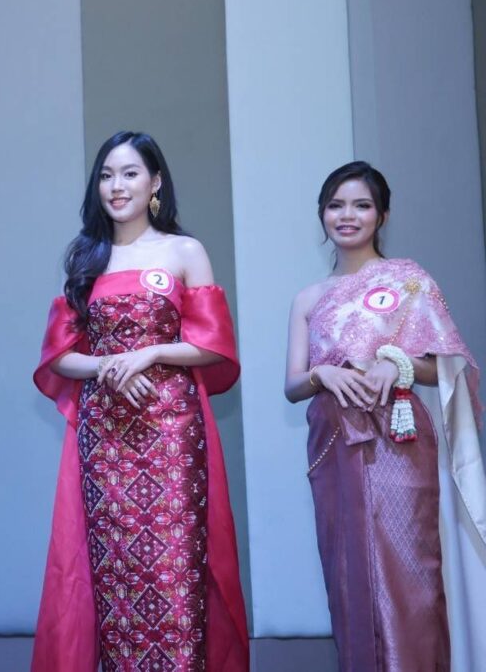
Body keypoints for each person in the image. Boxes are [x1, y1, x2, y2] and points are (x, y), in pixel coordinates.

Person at [32, 131, 248, 671]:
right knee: (116, 575)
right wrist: (108, 366)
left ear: (155, 183)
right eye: (106, 175)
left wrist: (149, 354)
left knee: (175, 569)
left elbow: (213, 346)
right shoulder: (87, 258)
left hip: (172, 430)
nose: (116, 185)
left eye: (129, 173)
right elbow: (59, 356)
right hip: (105, 436)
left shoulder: (184, 251)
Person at [284, 160, 486, 671]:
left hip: (401, 441)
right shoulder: (308, 298)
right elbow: (292, 385)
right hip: (333, 442)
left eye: (362, 205)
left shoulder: (409, 282)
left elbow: (445, 368)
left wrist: (396, 363)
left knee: (411, 570)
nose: (347, 216)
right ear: (322, 214)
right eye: (336, 205)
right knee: (347, 574)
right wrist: (322, 375)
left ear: (383, 215)